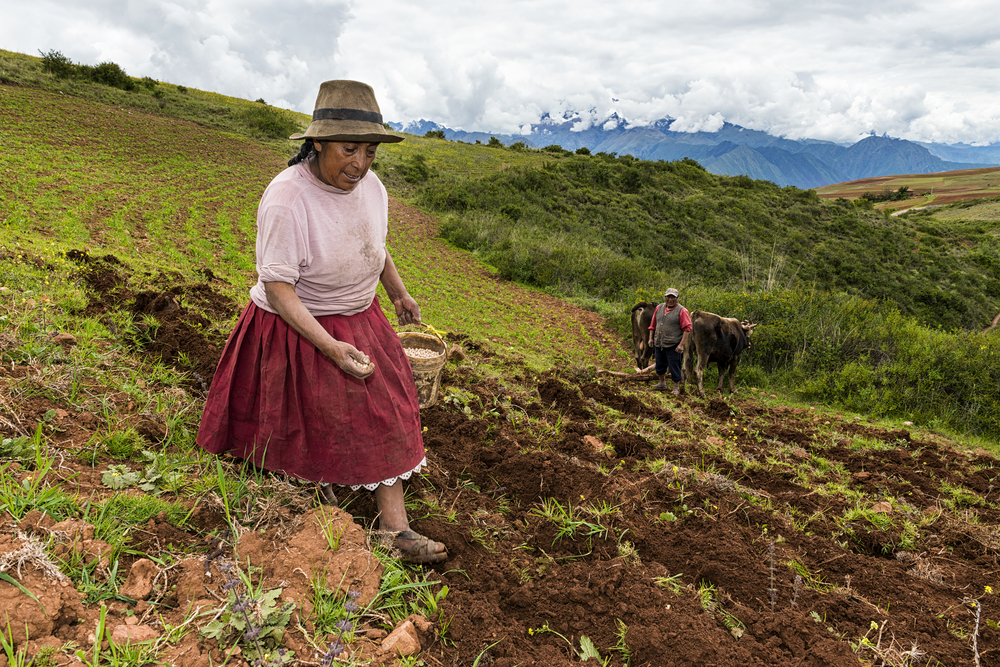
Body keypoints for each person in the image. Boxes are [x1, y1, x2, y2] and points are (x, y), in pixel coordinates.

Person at [196, 80, 446, 564]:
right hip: (300, 322)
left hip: (362, 314)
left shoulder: (372, 187)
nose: (360, 163)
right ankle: (341, 511)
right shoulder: (288, 198)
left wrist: (397, 291)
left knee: (389, 407)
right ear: (318, 144)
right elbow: (278, 288)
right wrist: (329, 346)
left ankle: (392, 529)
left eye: (370, 151)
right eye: (349, 149)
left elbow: (374, 242)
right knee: (313, 419)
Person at [647, 288, 692, 394]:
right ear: (665, 297)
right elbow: (653, 325)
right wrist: (650, 338)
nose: (670, 299)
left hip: (673, 344)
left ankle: (676, 387)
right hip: (659, 342)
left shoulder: (682, 311)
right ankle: (662, 383)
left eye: (673, 297)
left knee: (674, 365)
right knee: (659, 364)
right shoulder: (659, 308)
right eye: (668, 297)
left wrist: (681, 345)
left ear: (677, 298)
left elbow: (687, 329)